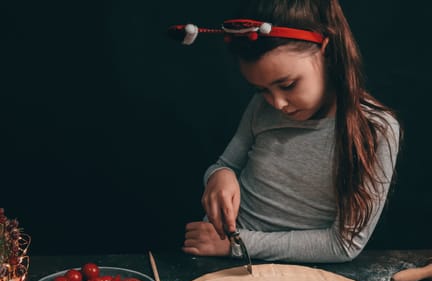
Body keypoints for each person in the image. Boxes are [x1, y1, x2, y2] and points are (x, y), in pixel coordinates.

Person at [169, 0, 401, 263]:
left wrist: (238, 245)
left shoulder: (377, 129)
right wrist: (219, 176)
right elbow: (225, 165)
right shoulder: (262, 106)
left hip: (294, 270)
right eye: (262, 90)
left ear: (325, 49)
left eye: (288, 85)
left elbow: (343, 245)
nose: (277, 103)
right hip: (216, 256)